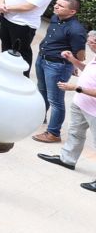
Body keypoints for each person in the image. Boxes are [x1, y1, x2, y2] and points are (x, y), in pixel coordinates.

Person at [36, 49, 96, 193]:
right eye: (90, 40)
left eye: (94, 40)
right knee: (75, 133)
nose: (90, 42)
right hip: (81, 104)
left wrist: (76, 88)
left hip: (93, 111)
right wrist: (73, 60)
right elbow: (88, 70)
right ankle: (67, 159)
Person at [34, 0, 89, 144]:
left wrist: (73, 64)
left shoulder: (76, 30)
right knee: (42, 92)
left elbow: (81, 55)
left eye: (61, 6)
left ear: (72, 12)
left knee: (55, 100)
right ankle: (38, 118)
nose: (56, 6)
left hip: (57, 66)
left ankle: (53, 133)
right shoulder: (55, 18)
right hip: (42, 59)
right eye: (56, 4)